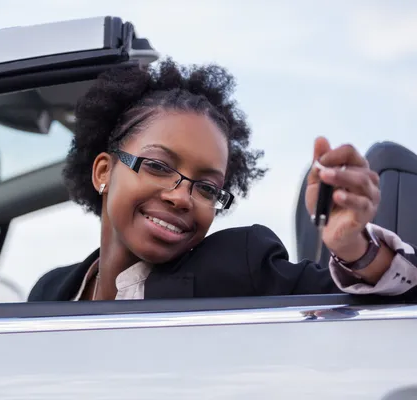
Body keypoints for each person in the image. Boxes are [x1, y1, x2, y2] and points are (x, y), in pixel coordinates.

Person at [28, 59, 417, 302]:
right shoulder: (49, 292)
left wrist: (355, 247)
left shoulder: (239, 268)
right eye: (159, 166)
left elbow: (394, 302)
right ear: (103, 172)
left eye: (207, 188)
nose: (183, 197)